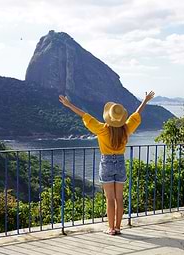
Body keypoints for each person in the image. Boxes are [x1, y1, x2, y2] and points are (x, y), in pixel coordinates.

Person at [59, 91, 155, 235]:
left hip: (106, 163)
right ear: (121, 118)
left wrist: (69, 104)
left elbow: (84, 115)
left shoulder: (102, 129)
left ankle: (111, 229)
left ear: (109, 117)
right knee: (119, 198)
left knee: (110, 199)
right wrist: (145, 101)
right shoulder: (126, 129)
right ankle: (118, 227)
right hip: (120, 162)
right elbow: (136, 115)